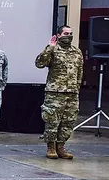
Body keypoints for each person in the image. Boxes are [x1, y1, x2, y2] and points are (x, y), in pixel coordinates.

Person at [36, 25, 84, 159]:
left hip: (72, 93)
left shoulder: (77, 52)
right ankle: (51, 147)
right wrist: (49, 47)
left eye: (70, 33)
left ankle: (61, 147)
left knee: (68, 122)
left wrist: (77, 88)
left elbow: (79, 72)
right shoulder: (53, 50)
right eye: (65, 33)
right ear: (58, 35)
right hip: (55, 92)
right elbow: (40, 63)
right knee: (52, 121)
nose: (68, 36)